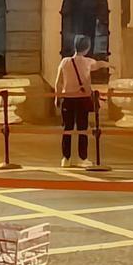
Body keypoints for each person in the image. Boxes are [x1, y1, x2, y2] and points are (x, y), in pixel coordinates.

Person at [54, 33, 97, 172]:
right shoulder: (88, 62)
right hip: (82, 99)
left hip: (67, 98)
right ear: (87, 48)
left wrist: (57, 97)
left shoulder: (64, 62)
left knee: (67, 129)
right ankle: (82, 158)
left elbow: (58, 82)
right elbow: (98, 66)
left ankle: (65, 158)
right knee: (82, 129)